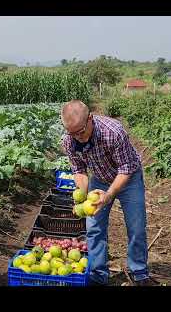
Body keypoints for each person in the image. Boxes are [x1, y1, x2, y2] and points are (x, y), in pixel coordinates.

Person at [60, 99, 157, 286]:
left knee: (136, 226)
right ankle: (98, 274)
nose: (77, 137)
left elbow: (126, 167)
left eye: (80, 131)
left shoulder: (112, 132)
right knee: (94, 227)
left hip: (128, 178)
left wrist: (110, 194)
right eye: (72, 133)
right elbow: (79, 170)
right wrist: (83, 198)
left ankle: (139, 271)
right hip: (99, 179)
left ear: (90, 119)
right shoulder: (69, 140)